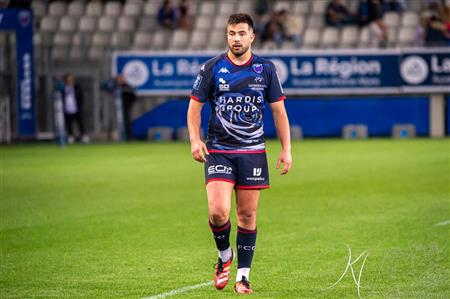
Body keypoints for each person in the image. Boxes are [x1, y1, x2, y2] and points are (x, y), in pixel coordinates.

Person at [187, 13, 292, 294]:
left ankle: (242, 276)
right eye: (232, 33)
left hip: (252, 153)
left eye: (241, 33)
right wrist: (195, 140)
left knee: (247, 216)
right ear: (227, 36)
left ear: (252, 37)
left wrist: (286, 149)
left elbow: (279, 111)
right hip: (219, 151)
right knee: (218, 212)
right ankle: (224, 257)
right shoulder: (212, 68)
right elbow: (194, 107)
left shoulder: (266, 69)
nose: (236, 38)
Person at [62, 73, 89, 144]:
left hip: (76, 109)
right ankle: (71, 136)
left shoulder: (77, 88)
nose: (69, 81)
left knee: (80, 123)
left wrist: (80, 106)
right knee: (69, 124)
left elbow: (81, 97)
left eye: (71, 79)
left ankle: (84, 136)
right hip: (67, 109)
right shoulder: (63, 89)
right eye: (68, 80)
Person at [115, 75, 136, 140]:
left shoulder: (127, 87)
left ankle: (128, 137)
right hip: (118, 109)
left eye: (121, 79)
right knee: (121, 123)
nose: (119, 80)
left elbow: (133, 97)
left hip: (126, 108)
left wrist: (128, 104)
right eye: (118, 79)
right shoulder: (116, 87)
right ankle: (121, 137)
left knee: (127, 122)